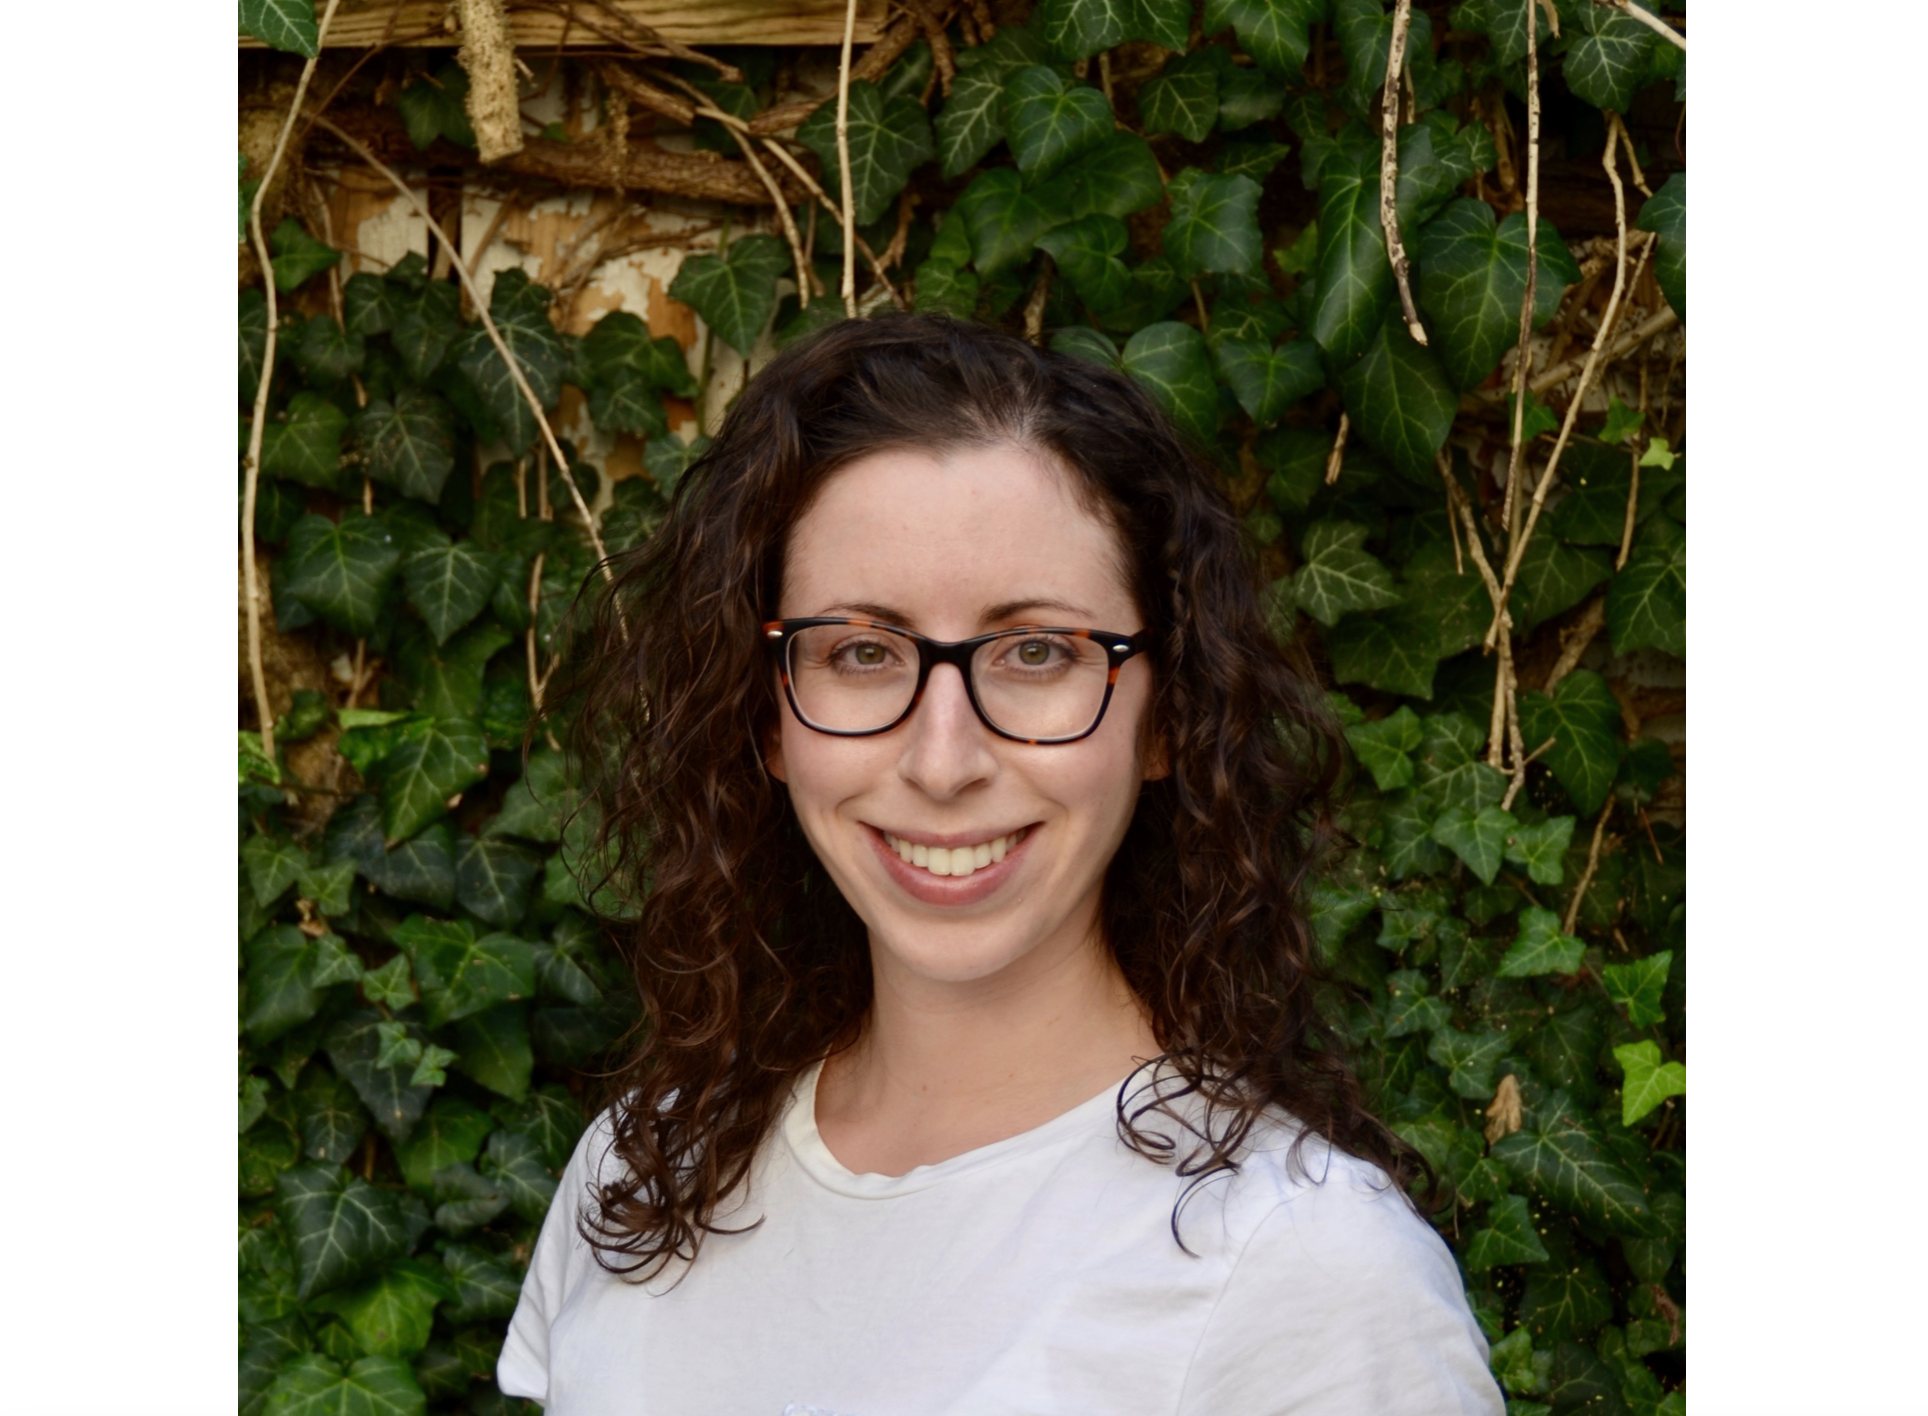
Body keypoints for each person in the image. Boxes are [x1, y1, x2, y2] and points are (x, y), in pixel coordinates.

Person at [497, 314, 1503, 1415]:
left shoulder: (1302, 1273)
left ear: (1165, 716)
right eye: (859, 653)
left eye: (1036, 653)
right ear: (767, 719)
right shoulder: (645, 1167)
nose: (942, 761)